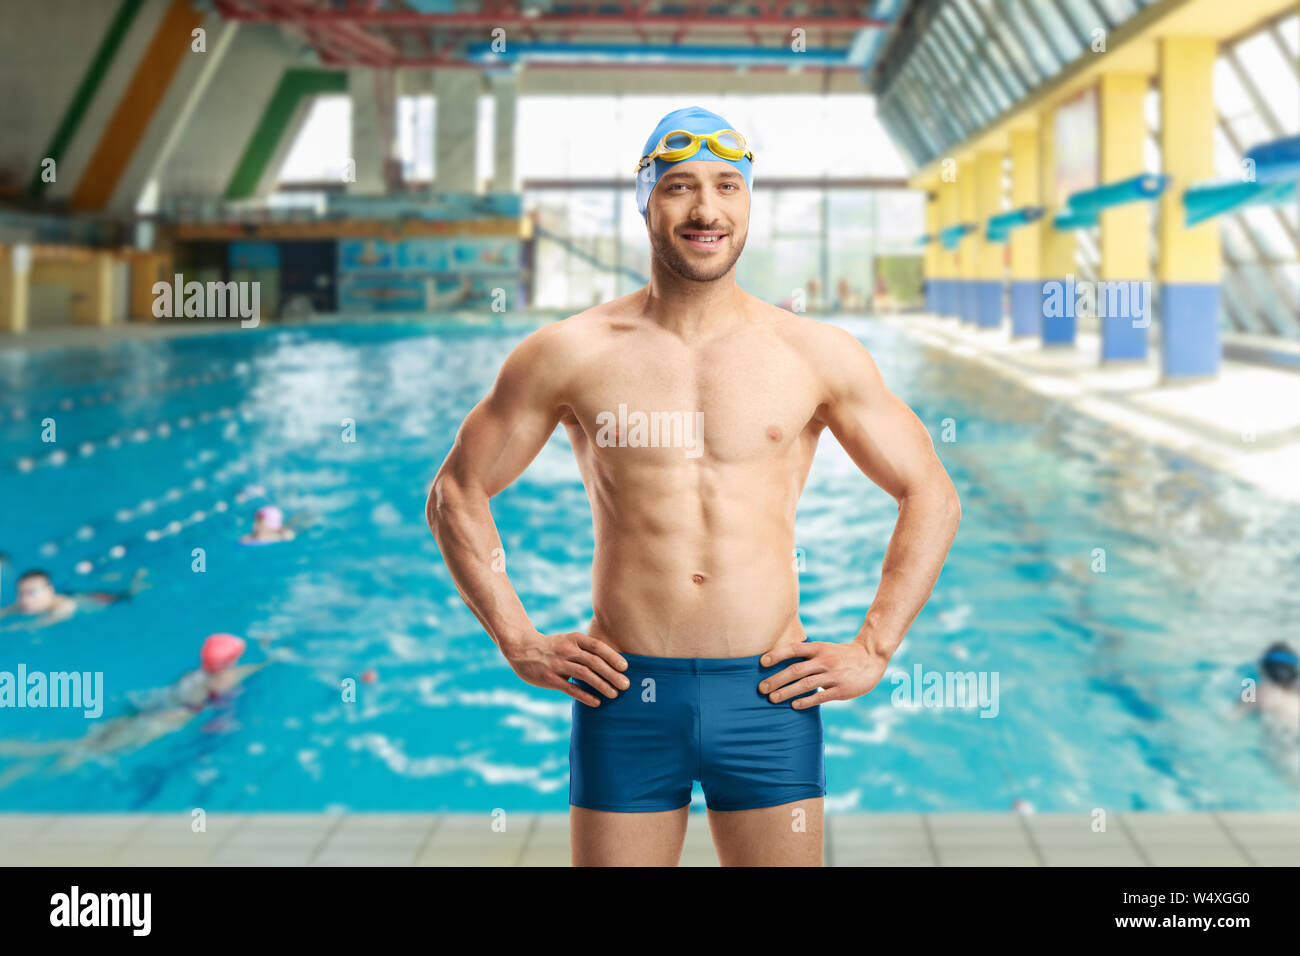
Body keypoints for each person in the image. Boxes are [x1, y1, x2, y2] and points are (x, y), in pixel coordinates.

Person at [426, 105, 960, 866]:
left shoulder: (816, 354)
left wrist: (876, 646)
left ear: (747, 203)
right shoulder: (568, 352)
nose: (706, 209)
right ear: (645, 200)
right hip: (622, 696)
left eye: (726, 187)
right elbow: (456, 492)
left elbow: (931, 493)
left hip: (770, 696)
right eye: (679, 186)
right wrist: (519, 641)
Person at [0, 633, 268, 787]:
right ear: (231, 660)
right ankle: (26, 775)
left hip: (147, 709)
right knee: (84, 755)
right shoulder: (227, 677)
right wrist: (268, 652)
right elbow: (259, 670)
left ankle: (12, 750)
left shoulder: (195, 673)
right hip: (165, 720)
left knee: (79, 743)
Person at [1238, 642, 1300, 786]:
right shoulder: (1295, 697)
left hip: (1284, 737)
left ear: (1265, 669)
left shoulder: (1261, 691)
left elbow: (1233, 716)